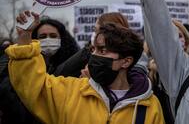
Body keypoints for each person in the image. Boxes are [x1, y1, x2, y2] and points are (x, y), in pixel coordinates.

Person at [5, 11, 165, 124]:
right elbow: (32, 86)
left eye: (103, 50)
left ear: (126, 61)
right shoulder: (71, 91)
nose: (94, 55)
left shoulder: (149, 106)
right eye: (94, 49)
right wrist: (25, 38)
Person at [0, 18, 79, 124]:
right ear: (34, 40)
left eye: (53, 36)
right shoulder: (14, 64)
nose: (48, 39)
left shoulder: (76, 66)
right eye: (42, 36)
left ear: (62, 39)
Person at [53, 12, 130, 77]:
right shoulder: (88, 53)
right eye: (94, 30)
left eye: (97, 31)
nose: (94, 35)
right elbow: (59, 74)